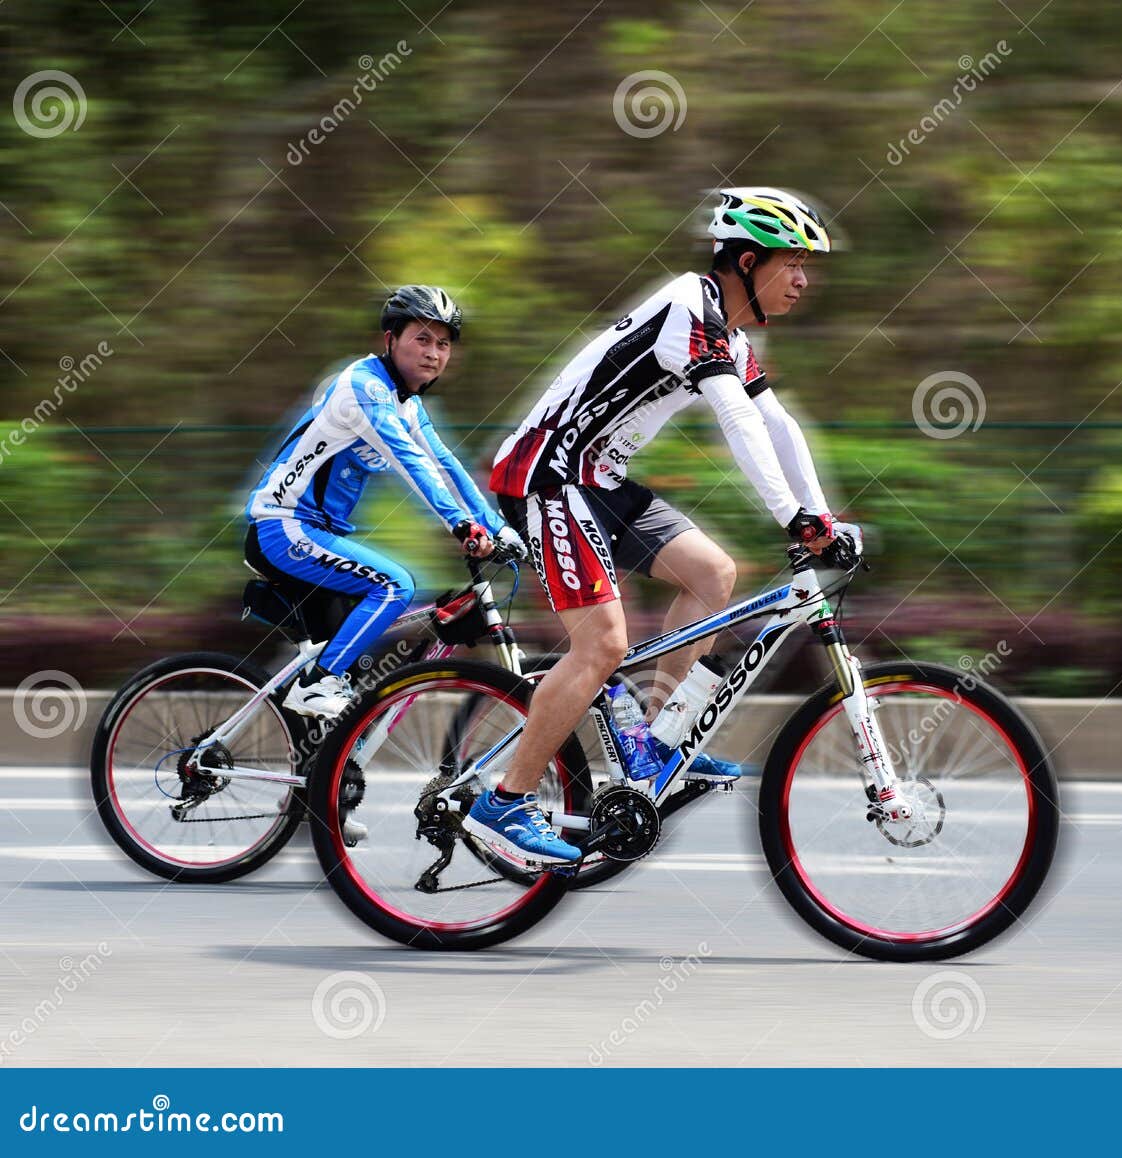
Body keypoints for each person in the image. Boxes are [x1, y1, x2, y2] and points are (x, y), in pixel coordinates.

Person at [465, 187, 862, 865]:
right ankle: (503, 801)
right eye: (791, 262)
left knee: (713, 574)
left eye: (806, 265)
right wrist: (792, 518)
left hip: (600, 480)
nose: (803, 279)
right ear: (744, 261)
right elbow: (736, 422)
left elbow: (777, 424)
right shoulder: (689, 305)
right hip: (547, 475)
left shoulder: (728, 335)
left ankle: (651, 744)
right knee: (602, 647)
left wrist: (823, 515)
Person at [245, 285, 523, 722]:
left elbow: (447, 466)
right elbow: (411, 462)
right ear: (390, 340)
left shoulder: (407, 406)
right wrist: (460, 525)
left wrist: (499, 527)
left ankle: (319, 773)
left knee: (356, 661)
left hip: (321, 533)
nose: (434, 352)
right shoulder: (364, 388)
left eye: (444, 343)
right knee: (395, 586)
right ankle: (317, 683)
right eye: (422, 339)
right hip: (284, 527)